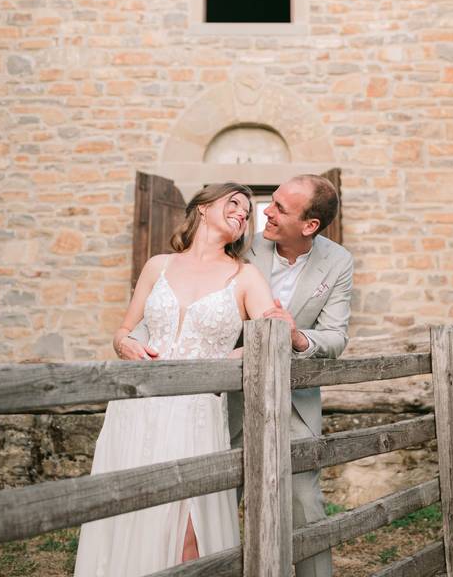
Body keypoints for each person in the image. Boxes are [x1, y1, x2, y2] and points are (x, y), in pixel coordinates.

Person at [121, 174, 353, 577]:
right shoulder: (242, 244)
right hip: (223, 397)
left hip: (290, 401)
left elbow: (335, 337)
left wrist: (295, 337)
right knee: (212, 502)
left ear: (310, 225)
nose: (266, 212)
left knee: (305, 504)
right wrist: (129, 338)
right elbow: (173, 306)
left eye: (279, 208)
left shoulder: (337, 262)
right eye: (269, 201)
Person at [74, 183, 276, 577]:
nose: (243, 213)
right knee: (130, 514)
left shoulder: (245, 276)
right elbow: (123, 332)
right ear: (202, 208)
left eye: (248, 210)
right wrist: (126, 344)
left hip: (196, 411)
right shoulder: (158, 265)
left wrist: (227, 359)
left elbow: (272, 336)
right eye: (233, 202)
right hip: (138, 407)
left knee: (189, 526)